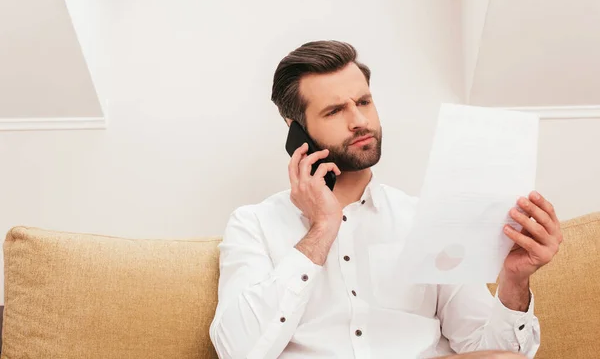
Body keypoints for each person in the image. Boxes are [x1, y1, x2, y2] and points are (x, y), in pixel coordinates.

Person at [208, 41, 563, 358]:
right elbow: (238, 351)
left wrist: (514, 281)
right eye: (334, 111)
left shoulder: (424, 218)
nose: (360, 121)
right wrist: (322, 228)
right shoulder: (253, 224)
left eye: (363, 102)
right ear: (296, 129)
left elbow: (488, 349)